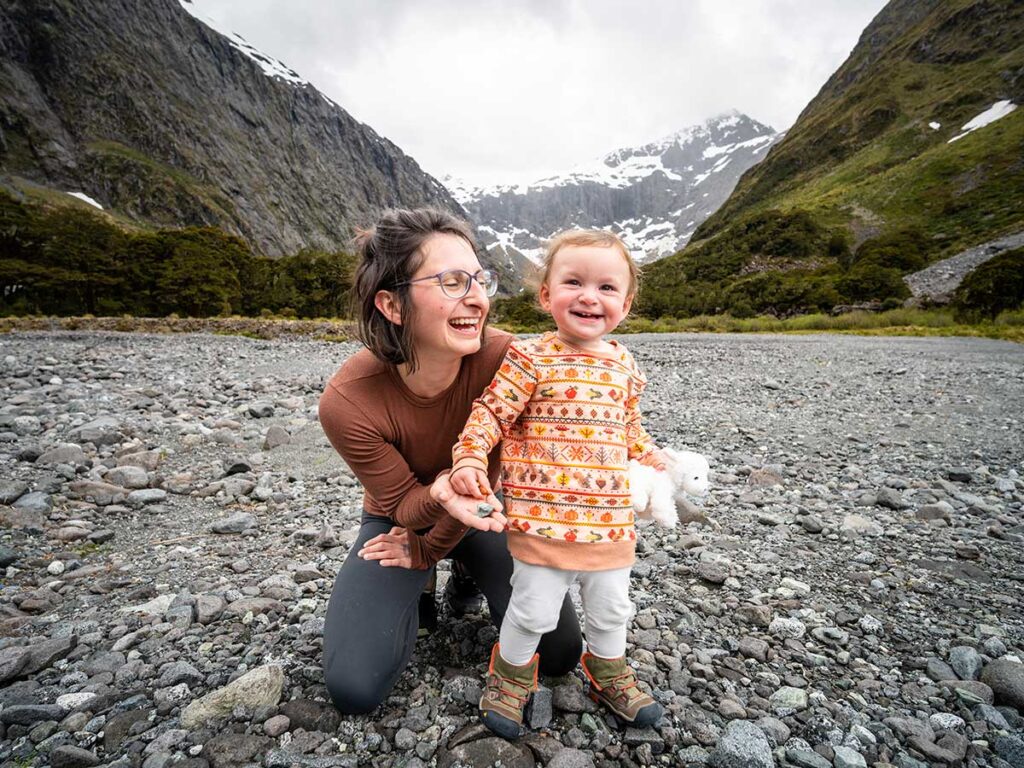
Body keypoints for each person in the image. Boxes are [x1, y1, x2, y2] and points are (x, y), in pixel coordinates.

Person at [318, 208, 582, 715]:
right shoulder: (348, 400)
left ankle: (462, 568)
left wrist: (433, 549)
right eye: (453, 282)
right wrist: (418, 547)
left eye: (480, 280)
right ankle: (426, 583)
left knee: (560, 653)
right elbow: (399, 502)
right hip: (400, 517)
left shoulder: (509, 364)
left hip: (484, 507)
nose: (478, 299)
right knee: (354, 687)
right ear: (392, 305)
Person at [443, 229, 667, 738]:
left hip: (610, 523)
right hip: (542, 522)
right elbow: (490, 414)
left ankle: (607, 670)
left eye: (607, 288)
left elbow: (629, 430)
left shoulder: (626, 366)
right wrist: (470, 459)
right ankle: (510, 675)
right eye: (573, 282)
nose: (590, 296)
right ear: (547, 295)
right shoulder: (530, 357)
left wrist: (656, 460)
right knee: (532, 610)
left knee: (612, 607)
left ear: (626, 303)